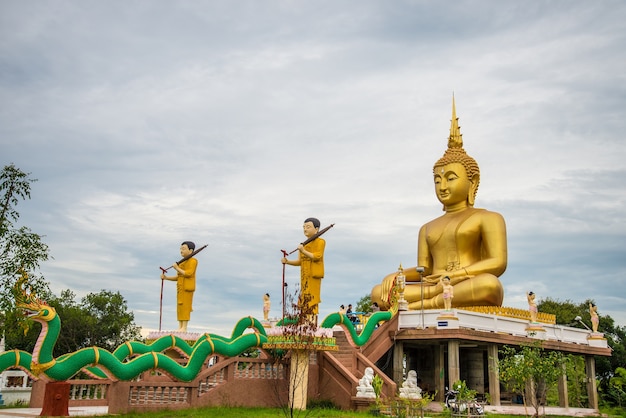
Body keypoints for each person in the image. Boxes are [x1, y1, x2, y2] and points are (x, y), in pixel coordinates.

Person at [372, 98, 506, 310]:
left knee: (490, 284)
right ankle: (433, 298)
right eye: (437, 180)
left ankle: (419, 306)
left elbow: (497, 263)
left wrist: (452, 276)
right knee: (379, 291)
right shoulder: (427, 227)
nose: (442, 186)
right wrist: (397, 276)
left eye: (450, 178)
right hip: (433, 284)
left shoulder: (488, 218)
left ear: (473, 181)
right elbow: (424, 269)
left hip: (466, 283)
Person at [281, 217, 326, 321]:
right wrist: (287, 262)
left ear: (317, 229)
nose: (305, 229)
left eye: (308, 227)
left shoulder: (320, 242)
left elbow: (317, 256)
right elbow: (300, 262)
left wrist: (303, 251)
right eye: (304, 227)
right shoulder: (303, 244)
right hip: (304, 276)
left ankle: (311, 322)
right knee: (303, 299)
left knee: (312, 299)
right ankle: (304, 320)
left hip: (313, 275)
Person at [161, 241, 198, 332]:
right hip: (180, 288)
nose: (181, 250)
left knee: (185, 306)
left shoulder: (193, 261)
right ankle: (180, 326)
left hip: (187, 288)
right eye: (180, 249)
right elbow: (179, 277)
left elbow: (188, 274)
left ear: (191, 250)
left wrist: (177, 268)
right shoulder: (182, 263)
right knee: (180, 307)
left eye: (184, 249)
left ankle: (184, 327)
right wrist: (166, 278)